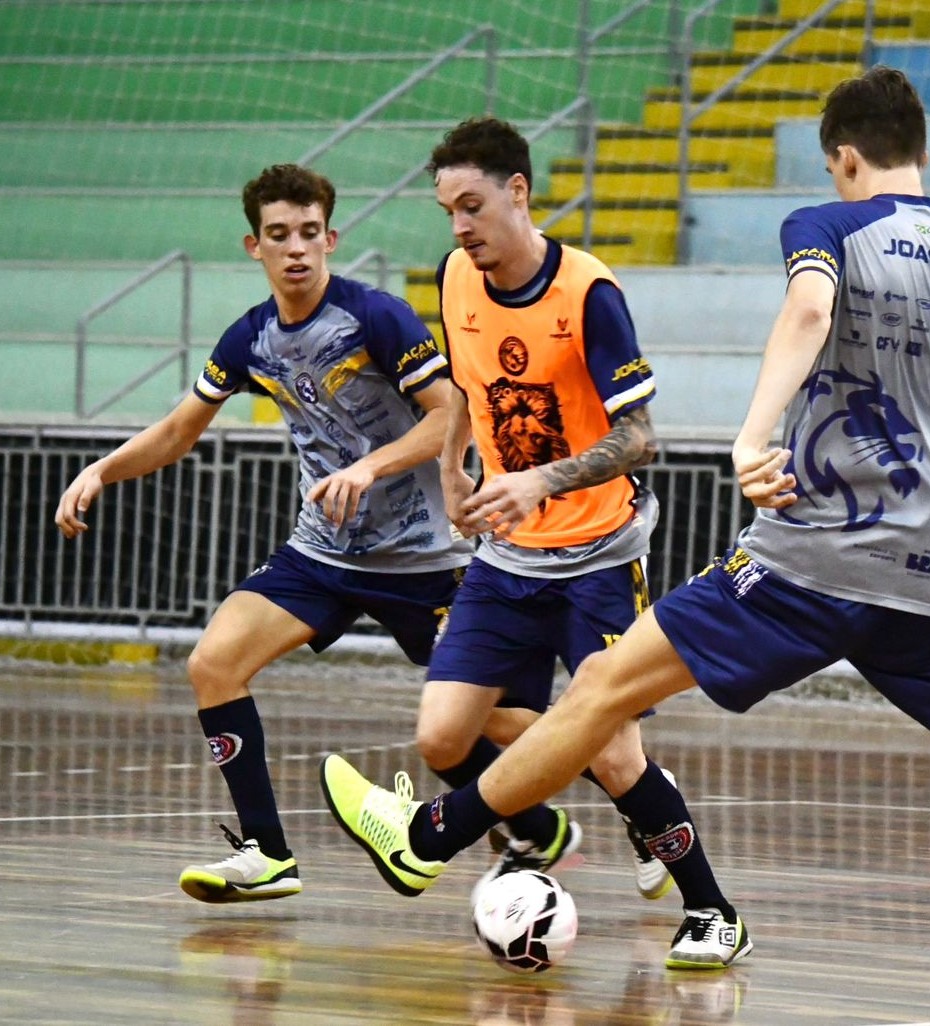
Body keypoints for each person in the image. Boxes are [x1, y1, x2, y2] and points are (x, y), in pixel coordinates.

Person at [318, 69, 930, 1024]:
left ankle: (429, 837)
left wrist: (751, 436)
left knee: (602, 689)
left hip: (823, 546)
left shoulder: (827, 226)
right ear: (917, 150)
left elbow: (809, 309)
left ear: (843, 157)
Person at [320, 115, 747, 969]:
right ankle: (541, 827)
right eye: (448, 212)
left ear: (518, 192)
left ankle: (712, 913)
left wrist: (540, 480)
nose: (460, 228)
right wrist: (451, 469)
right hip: (505, 557)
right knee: (443, 734)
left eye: (472, 206)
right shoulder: (454, 276)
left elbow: (640, 439)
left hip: (597, 554)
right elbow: (466, 397)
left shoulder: (588, 294)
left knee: (616, 751)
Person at [54, 163, 470, 903]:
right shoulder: (250, 338)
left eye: (309, 233)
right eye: (279, 236)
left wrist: (368, 469)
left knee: (477, 726)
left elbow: (446, 416)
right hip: (322, 553)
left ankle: (555, 822)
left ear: (331, 237)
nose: (296, 249)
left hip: (425, 559)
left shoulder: (376, 317)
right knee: (213, 663)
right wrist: (102, 470)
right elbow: (181, 429)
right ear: (255, 246)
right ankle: (266, 851)